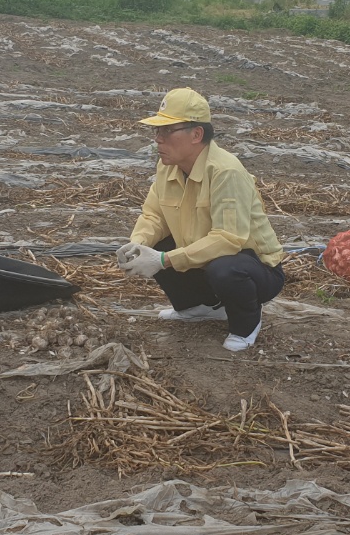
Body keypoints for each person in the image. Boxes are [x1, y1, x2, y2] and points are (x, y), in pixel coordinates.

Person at [117, 88, 285, 351]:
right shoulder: (167, 167)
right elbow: (154, 215)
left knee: (224, 269)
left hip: (254, 268)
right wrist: (137, 245)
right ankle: (201, 308)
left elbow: (229, 239)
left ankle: (247, 323)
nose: (158, 139)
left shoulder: (225, 171)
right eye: (156, 131)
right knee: (156, 246)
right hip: (205, 260)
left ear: (196, 134)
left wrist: (164, 260)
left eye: (167, 131)